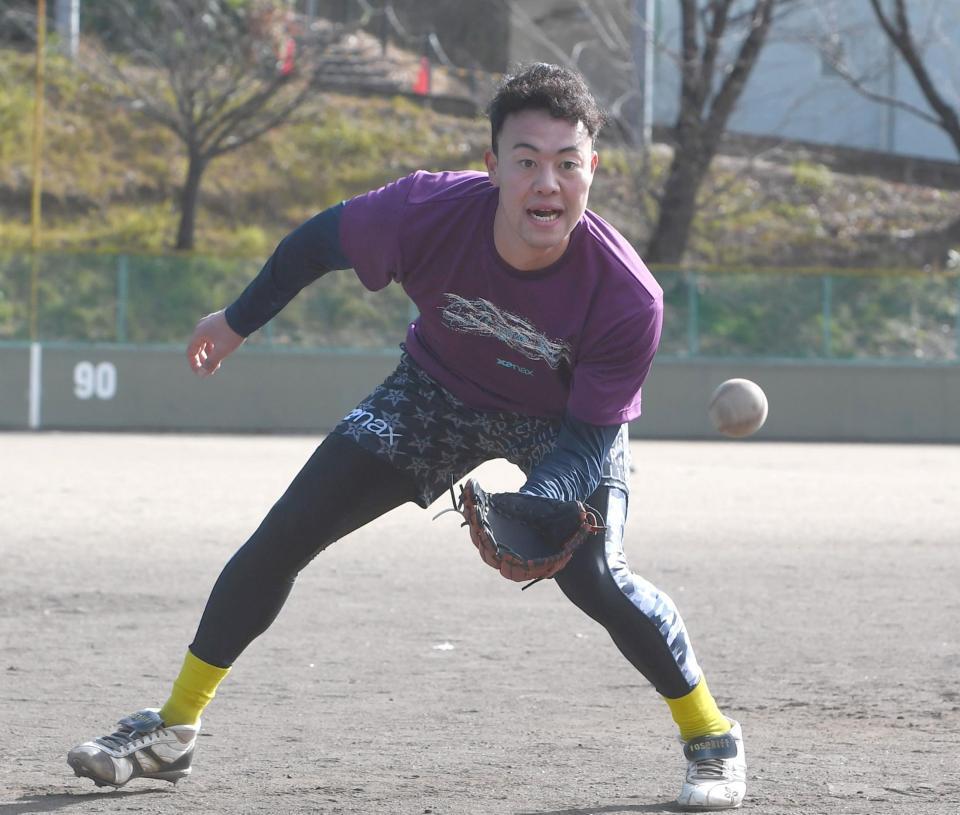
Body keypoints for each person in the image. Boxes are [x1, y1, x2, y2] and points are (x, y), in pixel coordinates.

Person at [67, 63, 746, 810]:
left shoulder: (627, 295)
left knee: (597, 578)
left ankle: (711, 736)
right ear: (491, 166)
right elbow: (314, 243)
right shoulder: (422, 210)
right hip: (435, 389)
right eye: (525, 161)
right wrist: (235, 321)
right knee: (285, 533)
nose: (546, 182)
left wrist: (540, 498)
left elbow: (590, 436)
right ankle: (172, 728)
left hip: (561, 427)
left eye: (566, 162)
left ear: (593, 169)